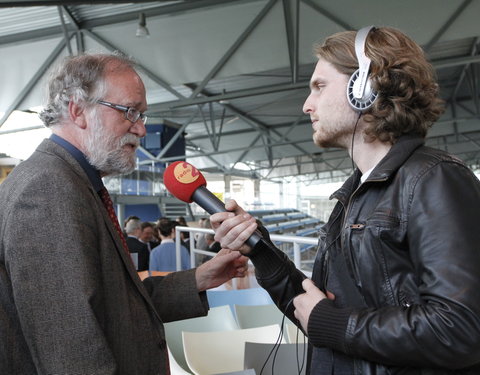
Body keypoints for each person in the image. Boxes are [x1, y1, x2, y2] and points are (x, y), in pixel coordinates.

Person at [210, 26, 480, 374]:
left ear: (365, 89)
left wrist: (336, 325)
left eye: (319, 86)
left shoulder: (434, 178)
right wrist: (260, 251)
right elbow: (318, 313)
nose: (307, 105)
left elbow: (460, 329)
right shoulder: (353, 195)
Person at [0, 53, 248, 375]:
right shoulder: (48, 190)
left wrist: (201, 278)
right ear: (78, 110)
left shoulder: (73, 182)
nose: (142, 129)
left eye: (143, 114)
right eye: (130, 112)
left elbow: (113, 303)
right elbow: (73, 352)